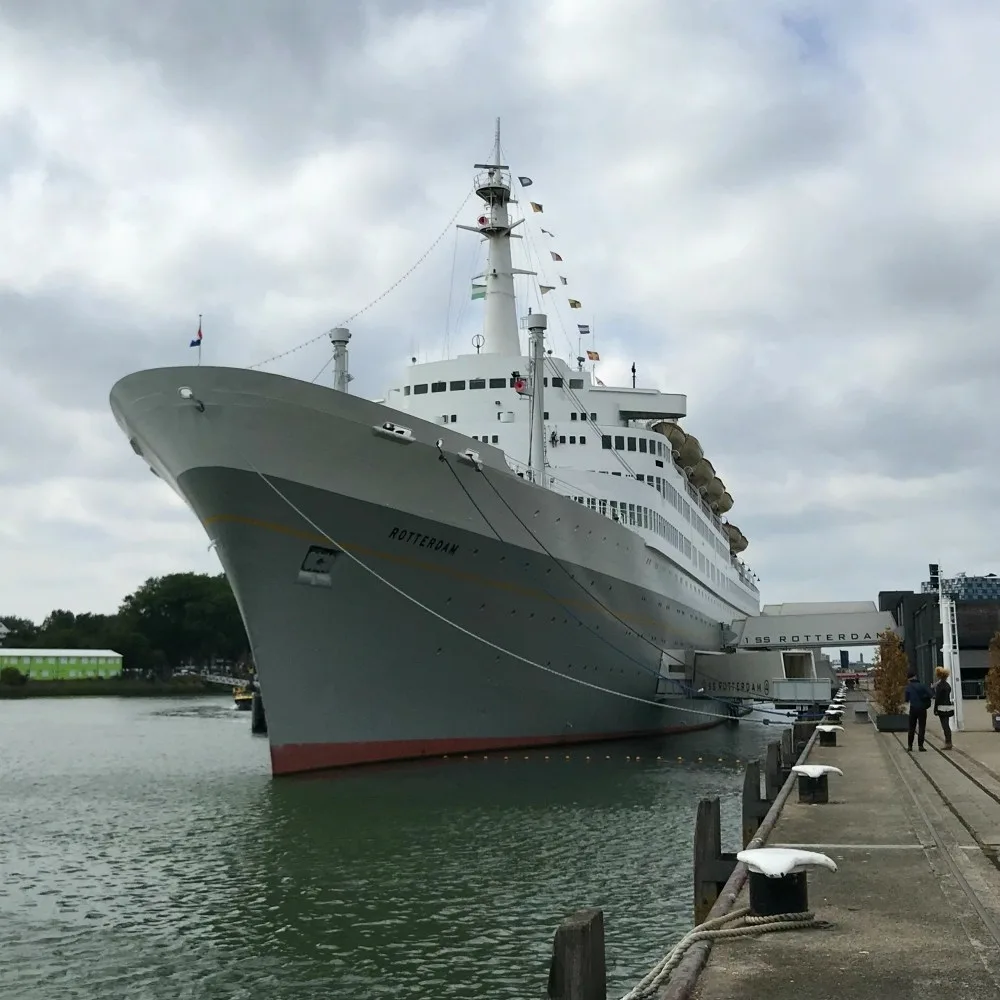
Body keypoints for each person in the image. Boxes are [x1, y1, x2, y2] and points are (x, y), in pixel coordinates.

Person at [904, 670, 933, 752]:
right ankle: (921, 746)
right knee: (922, 727)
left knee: (911, 728)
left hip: (913, 709)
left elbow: (906, 699)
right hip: (922, 709)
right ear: (915, 677)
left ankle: (910, 746)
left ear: (908, 679)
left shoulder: (908, 687)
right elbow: (931, 695)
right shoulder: (922, 685)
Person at [933, 666, 955, 749]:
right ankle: (949, 742)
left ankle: (948, 742)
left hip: (941, 706)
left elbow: (937, 698)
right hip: (948, 706)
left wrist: (935, 709)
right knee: (947, 725)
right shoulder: (947, 685)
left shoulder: (939, 686)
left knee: (944, 725)